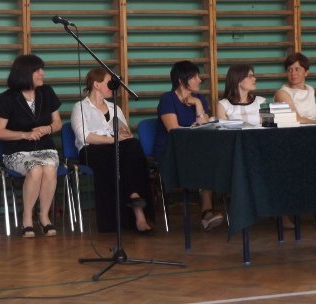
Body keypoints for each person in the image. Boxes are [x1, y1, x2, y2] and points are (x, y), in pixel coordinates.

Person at [70, 68, 153, 234]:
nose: (113, 87)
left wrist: (123, 134)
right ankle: (123, 215)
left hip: (115, 146)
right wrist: (113, 140)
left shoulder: (114, 107)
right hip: (91, 149)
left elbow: (126, 134)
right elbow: (85, 136)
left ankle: (137, 205)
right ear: (96, 84)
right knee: (110, 159)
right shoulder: (80, 107)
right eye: (109, 83)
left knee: (133, 146)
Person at [0, 54, 62, 238]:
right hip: (17, 150)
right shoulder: (7, 98)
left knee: (49, 168)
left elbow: (57, 123)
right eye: (37, 70)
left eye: (42, 69)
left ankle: (44, 216)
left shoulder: (47, 92)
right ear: (24, 73)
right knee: (35, 169)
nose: (42, 73)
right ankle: (27, 218)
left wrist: (47, 128)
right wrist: (25, 134)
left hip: (46, 147)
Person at [153, 60, 224, 231]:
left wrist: (198, 105)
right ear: (181, 80)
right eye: (194, 77)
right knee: (205, 157)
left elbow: (205, 127)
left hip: (195, 148)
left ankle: (207, 212)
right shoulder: (168, 99)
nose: (199, 80)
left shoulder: (200, 99)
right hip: (171, 150)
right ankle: (207, 212)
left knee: (211, 157)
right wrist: (195, 128)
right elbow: (174, 131)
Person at [274, 52, 316, 124]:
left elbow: (309, 116)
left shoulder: (310, 89)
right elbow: (295, 119)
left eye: (297, 69)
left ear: (306, 72)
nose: (293, 73)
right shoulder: (281, 93)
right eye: (290, 70)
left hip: (314, 129)